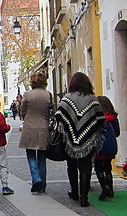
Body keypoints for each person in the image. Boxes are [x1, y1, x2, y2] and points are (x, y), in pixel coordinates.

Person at [53, 72, 105, 207]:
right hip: (88, 139)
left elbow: (59, 117)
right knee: (86, 166)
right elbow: (100, 118)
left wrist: (70, 128)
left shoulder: (66, 99)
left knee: (71, 165)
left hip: (69, 140)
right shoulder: (92, 99)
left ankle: (75, 192)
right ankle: (84, 197)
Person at [18, 72, 53, 194]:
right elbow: (51, 112)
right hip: (43, 128)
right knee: (42, 158)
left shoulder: (28, 95)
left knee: (31, 155)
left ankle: (36, 178)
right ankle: (42, 185)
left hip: (30, 128)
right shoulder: (48, 95)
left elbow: (23, 112)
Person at [95, 96, 120, 200]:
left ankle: (105, 187)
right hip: (111, 146)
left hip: (100, 146)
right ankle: (111, 190)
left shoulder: (98, 118)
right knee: (108, 168)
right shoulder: (113, 118)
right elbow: (117, 133)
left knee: (98, 168)